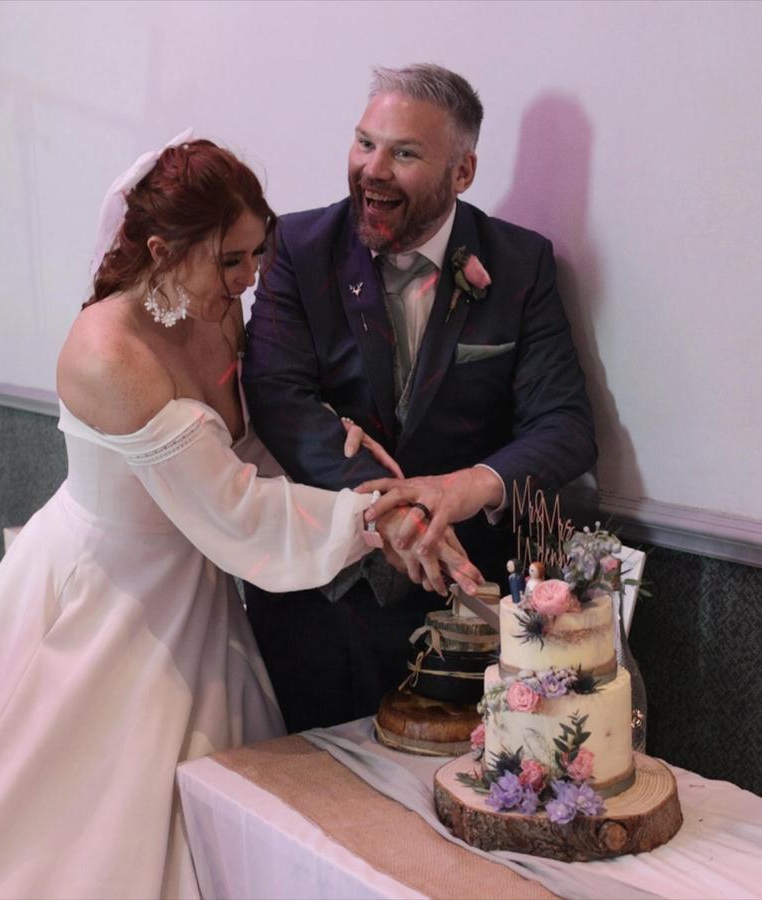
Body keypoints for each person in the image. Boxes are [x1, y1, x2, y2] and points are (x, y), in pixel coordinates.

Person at [0, 137, 480, 900]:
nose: (248, 282)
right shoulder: (107, 353)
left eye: (255, 256)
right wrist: (375, 519)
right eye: (229, 261)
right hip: (107, 594)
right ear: (160, 249)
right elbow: (234, 507)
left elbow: (248, 444)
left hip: (197, 583)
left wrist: (340, 443)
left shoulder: (216, 312)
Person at [242, 64, 598, 732]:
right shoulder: (298, 246)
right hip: (319, 602)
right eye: (364, 142)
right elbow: (276, 396)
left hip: (458, 618)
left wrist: (467, 487)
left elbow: (566, 427)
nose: (372, 169)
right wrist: (393, 509)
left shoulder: (521, 265)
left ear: (462, 173)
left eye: (404, 153)